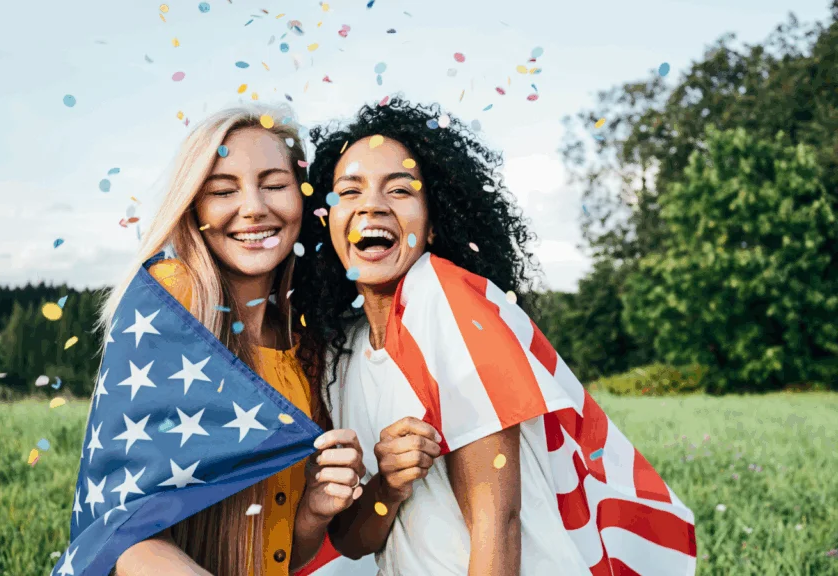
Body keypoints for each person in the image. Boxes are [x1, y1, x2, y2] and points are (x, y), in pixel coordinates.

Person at [293, 98, 696, 575]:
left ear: (434, 220)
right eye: (349, 191)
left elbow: (497, 525)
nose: (372, 205)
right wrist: (389, 487)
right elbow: (353, 540)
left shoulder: (447, 303)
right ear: (325, 219)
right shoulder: (343, 350)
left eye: (400, 190)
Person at [104, 104, 369, 576]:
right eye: (223, 190)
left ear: (304, 198)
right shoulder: (172, 296)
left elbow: (283, 554)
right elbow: (124, 531)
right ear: (194, 207)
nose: (253, 207)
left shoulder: (301, 338)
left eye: (274, 185)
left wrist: (312, 509)